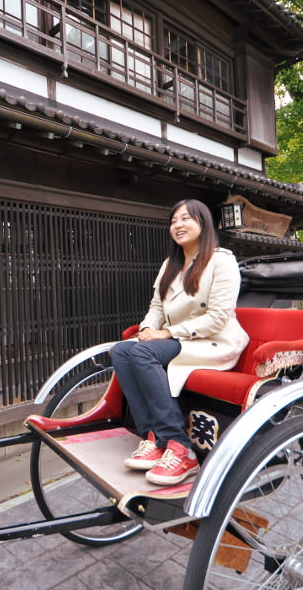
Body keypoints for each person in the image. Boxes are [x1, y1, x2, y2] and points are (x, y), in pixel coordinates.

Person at [111, 199, 249, 486]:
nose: (178, 225)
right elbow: (157, 307)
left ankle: (178, 445)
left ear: (203, 224)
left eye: (186, 219)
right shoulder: (170, 264)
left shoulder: (222, 260)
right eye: (174, 220)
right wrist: (149, 328)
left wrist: (166, 334)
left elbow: (218, 318)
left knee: (144, 352)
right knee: (123, 351)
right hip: (181, 339)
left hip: (215, 341)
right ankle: (155, 436)